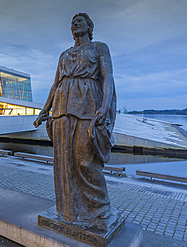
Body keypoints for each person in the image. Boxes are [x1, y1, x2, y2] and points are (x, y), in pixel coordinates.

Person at [34, 13, 116, 224]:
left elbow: (107, 78)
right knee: (64, 162)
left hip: (88, 106)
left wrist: (104, 107)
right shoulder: (64, 54)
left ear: (89, 27)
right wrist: (45, 110)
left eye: (79, 22)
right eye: (72, 22)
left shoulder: (99, 47)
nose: (74, 25)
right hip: (61, 109)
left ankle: (100, 207)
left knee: (85, 161)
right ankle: (69, 211)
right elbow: (55, 84)